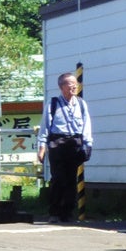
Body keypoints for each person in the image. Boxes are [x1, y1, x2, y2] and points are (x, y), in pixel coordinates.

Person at [38, 71, 92, 223]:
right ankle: (54, 211)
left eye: (75, 83)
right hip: (57, 143)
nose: (74, 86)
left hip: (75, 143)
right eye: (70, 84)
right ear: (62, 87)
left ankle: (67, 213)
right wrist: (42, 147)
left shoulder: (81, 103)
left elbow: (87, 125)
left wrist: (88, 144)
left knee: (71, 179)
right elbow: (45, 126)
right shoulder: (53, 103)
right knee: (58, 178)